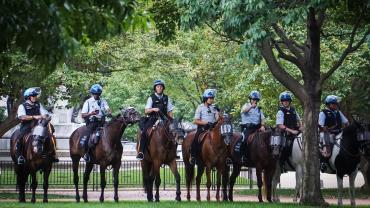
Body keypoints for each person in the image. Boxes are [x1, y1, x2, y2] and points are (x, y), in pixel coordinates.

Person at [16, 87, 58, 164]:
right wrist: (34, 117)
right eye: (34, 96)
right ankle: (20, 156)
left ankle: (52, 154)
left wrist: (46, 115)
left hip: (38, 126)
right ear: (29, 97)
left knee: (50, 135)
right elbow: (22, 116)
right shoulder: (22, 106)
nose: (36, 97)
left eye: (36, 96)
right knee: (20, 138)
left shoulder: (38, 104)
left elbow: (44, 113)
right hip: (27, 126)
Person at [136, 79, 174, 160]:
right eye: (158, 87)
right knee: (144, 132)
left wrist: (172, 121)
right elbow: (146, 111)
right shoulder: (151, 98)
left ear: (163, 88)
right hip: (152, 119)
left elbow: (170, 111)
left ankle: (173, 152)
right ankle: (141, 152)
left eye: (161, 87)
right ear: (155, 88)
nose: (159, 88)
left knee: (175, 131)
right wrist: (153, 109)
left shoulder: (167, 98)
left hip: (164, 119)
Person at [81, 84, 111, 162]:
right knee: (88, 136)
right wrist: (91, 113)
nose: (97, 96)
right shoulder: (88, 102)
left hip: (102, 122)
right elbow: (83, 115)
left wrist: (109, 111)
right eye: (95, 94)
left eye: (98, 94)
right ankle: (86, 153)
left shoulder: (103, 101)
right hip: (92, 122)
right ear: (92, 94)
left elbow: (107, 108)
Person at [318, 95, 349, 171]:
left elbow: (346, 122)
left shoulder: (338, 112)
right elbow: (321, 125)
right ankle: (323, 162)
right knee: (327, 140)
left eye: (335, 103)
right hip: (326, 133)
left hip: (338, 132)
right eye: (333, 103)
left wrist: (346, 128)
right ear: (328, 104)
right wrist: (325, 129)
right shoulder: (323, 113)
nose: (335, 105)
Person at [189, 89, 220, 165]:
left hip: (213, 128)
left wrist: (218, 112)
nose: (211, 100)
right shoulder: (200, 107)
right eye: (210, 98)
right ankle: (192, 156)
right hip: (203, 128)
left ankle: (226, 157)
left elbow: (217, 119)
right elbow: (195, 121)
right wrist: (205, 122)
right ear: (205, 98)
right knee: (196, 139)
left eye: (212, 98)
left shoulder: (214, 108)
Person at [276, 91, 302, 172]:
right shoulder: (280, 111)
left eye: (287, 100)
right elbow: (280, 125)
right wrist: (292, 131)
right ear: (281, 102)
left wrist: (301, 126)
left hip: (295, 131)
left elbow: (299, 120)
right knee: (285, 146)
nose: (285, 102)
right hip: (285, 133)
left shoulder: (293, 110)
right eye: (284, 101)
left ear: (290, 101)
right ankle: (282, 164)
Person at [238, 90, 266, 163]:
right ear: (250, 99)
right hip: (248, 128)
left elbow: (263, 119)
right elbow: (244, 111)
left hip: (257, 128)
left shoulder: (259, 109)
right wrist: (251, 106)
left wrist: (262, 126)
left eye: (256, 100)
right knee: (244, 140)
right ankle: (242, 156)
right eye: (253, 99)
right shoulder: (246, 105)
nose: (255, 101)